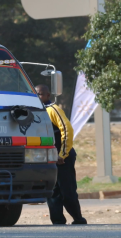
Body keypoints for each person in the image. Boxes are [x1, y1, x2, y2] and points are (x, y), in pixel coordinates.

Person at [36, 84, 87, 225]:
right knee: (52, 192)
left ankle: (78, 219)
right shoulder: (38, 111)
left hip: (62, 158)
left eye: (40, 94)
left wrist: (62, 154)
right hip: (49, 158)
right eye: (36, 94)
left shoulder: (53, 109)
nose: (38, 97)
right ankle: (58, 222)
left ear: (47, 95)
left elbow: (67, 130)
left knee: (67, 190)